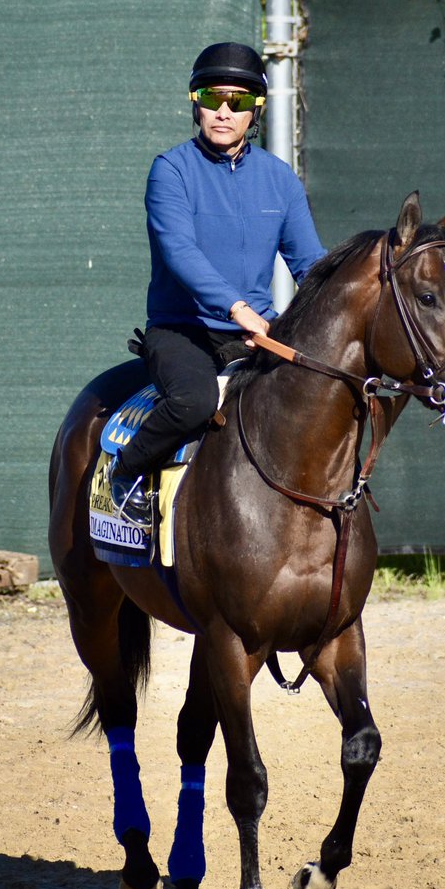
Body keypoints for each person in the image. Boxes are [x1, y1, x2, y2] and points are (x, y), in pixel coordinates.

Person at [108, 41, 327, 529]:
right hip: (181, 331)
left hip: (253, 334)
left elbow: (309, 263)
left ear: (257, 111)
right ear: (195, 102)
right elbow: (180, 252)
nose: (224, 112)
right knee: (195, 401)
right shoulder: (170, 170)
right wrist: (236, 307)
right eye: (212, 98)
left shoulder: (281, 180)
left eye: (240, 101)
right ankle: (127, 473)